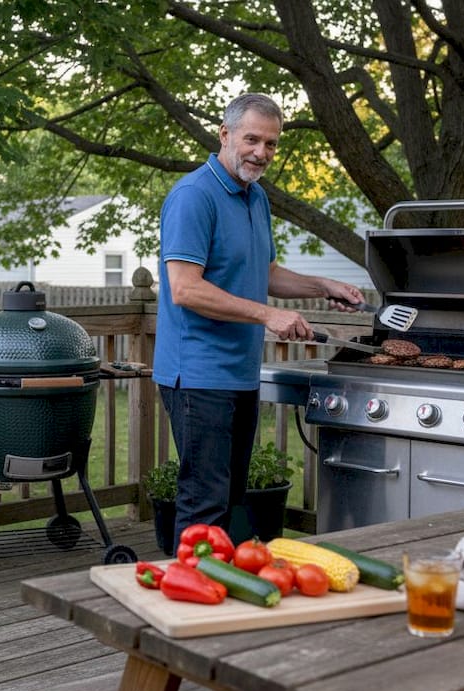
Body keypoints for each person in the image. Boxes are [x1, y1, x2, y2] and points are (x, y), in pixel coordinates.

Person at [153, 93, 365, 546]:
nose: (261, 153)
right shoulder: (194, 196)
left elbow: (265, 273)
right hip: (198, 375)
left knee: (228, 499)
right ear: (225, 134)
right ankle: (183, 605)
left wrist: (323, 286)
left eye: (271, 144)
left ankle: (214, 595)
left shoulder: (255, 197)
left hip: (240, 376)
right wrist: (268, 315)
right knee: (203, 503)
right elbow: (185, 288)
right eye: (252, 139)